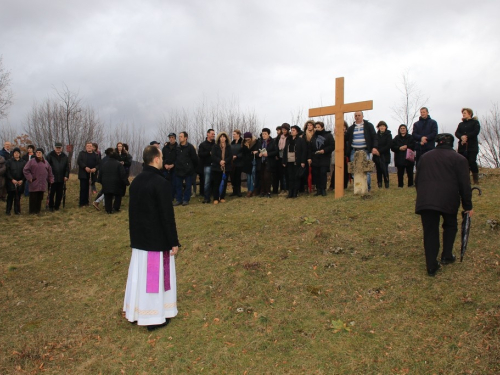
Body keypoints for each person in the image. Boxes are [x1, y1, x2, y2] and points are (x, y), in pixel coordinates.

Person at [124, 145, 180, 331]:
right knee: (153, 282)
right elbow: (167, 215)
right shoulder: (161, 183)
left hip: (139, 240)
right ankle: (153, 318)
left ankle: (135, 312)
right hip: (155, 242)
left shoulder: (136, 181)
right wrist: (173, 241)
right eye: (161, 157)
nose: (163, 160)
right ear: (156, 159)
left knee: (139, 278)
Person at [415, 133, 473, 276]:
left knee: (430, 231)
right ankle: (447, 255)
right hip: (449, 198)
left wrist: (423, 194)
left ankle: (431, 265)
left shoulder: (425, 157)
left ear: (437, 143)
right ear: (451, 143)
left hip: (426, 199)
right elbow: (465, 185)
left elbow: (417, 180)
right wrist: (468, 206)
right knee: (450, 225)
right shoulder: (459, 159)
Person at [346, 111, 378, 191]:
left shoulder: (368, 126)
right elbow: (345, 138)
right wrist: (338, 133)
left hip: (365, 150)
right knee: (354, 170)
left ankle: (367, 188)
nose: (357, 117)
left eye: (359, 115)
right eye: (356, 115)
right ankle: (358, 188)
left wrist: (374, 147)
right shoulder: (351, 128)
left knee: (366, 169)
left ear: (362, 116)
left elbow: (374, 137)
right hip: (354, 151)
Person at [23, 148, 54, 214]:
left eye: (39, 152)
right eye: (37, 152)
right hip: (34, 182)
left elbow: (50, 172)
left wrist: (51, 179)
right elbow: (25, 170)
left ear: (42, 153)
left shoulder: (46, 162)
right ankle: (32, 212)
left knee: (40, 198)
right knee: (33, 198)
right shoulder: (31, 161)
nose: (38, 154)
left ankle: (38, 211)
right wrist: (29, 177)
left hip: (42, 183)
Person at [307, 121, 335, 196]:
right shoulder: (314, 136)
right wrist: (309, 157)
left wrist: (324, 150)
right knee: (316, 174)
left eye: (318, 127)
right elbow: (310, 148)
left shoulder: (328, 135)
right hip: (315, 158)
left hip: (324, 158)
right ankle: (318, 189)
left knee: (323, 173)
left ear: (322, 127)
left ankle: (323, 189)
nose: (317, 129)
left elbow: (332, 146)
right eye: (316, 127)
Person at [455, 108, 481, 184]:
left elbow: (476, 132)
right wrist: (461, 137)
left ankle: (476, 180)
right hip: (462, 146)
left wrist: (467, 136)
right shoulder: (461, 124)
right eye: (463, 113)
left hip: (472, 146)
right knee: (463, 163)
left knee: (472, 161)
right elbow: (457, 133)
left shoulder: (475, 122)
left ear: (469, 113)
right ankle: (466, 180)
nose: (463, 114)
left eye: (465, 113)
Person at [98, 149, 128, 214]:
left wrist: (100, 181)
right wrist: (126, 182)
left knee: (107, 196)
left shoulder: (104, 164)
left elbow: (100, 173)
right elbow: (122, 174)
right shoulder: (118, 164)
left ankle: (108, 210)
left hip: (106, 183)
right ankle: (116, 208)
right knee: (118, 195)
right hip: (116, 183)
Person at [173, 132, 198, 206]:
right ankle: (179, 200)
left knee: (188, 186)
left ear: (185, 138)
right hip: (178, 170)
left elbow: (195, 159)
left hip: (188, 170)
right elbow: (175, 158)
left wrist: (192, 168)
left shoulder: (190, 147)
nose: (179, 138)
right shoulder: (177, 148)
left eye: (181, 136)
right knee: (178, 186)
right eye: (179, 136)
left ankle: (186, 200)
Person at [283, 125, 307, 198]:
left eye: (294, 130)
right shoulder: (288, 139)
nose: (292, 131)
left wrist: (303, 161)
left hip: (297, 161)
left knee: (296, 177)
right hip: (289, 161)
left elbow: (304, 151)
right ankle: (290, 192)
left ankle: (295, 192)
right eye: (291, 130)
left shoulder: (301, 140)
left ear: (297, 132)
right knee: (290, 177)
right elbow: (285, 151)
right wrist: (284, 161)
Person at [45, 142, 70, 211]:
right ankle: (50, 206)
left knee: (60, 193)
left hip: (61, 178)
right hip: (52, 178)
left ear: (61, 148)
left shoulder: (65, 156)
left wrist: (66, 176)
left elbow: (67, 168)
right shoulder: (50, 155)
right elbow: (46, 167)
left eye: (59, 148)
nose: (58, 149)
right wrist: (49, 177)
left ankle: (57, 206)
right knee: (51, 193)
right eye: (57, 147)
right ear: (54, 148)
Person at [211, 132, 233, 204]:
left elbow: (230, 156)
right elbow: (213, 156)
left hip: (226, 167)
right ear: (219, 138)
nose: (222, 138)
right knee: (216, 183)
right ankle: (216, 198)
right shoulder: (215, 146)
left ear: (226, 138)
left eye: (224, 137)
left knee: (224, 182)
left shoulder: (229, 147)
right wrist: (220, 161)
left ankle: (222, 197)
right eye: (221, 137)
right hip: (216, 167)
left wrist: (224, 162)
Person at [77, 142, 100, 207]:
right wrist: (85, 167)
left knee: (89, 189)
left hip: (92, 174)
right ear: (86, 147)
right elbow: (79, 161)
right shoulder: (82, 154)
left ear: (92, 147)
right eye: (88, 146)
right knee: (83, 188)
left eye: (90, 146)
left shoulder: (96, 155)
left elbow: (99, 164)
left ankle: (87, 202)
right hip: (83, 174)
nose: (89, 147)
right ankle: (82, 203)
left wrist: (95, 168)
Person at [330, 121, 350, 190]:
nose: (342, 128)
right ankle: (332, 185)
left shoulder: (348, 135)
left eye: (344, 127)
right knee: (336, 171)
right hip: (338, 155)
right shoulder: (335, 136)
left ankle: (344, 186)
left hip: (346, 156)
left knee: (346, 171)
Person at [5, 148, 26, 215]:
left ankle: (17, 211)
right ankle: (8, 211)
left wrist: (22, 180)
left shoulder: (23, 162)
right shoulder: (9, 161)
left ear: (19, 154)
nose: (16, 154)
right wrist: (12, 179)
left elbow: (25, 172)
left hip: (20, 182)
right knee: (10, 197)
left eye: (18, 153)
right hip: (11, 182)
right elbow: (7, 172)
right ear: (13, 154)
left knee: (18, 197)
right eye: (15, 153)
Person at [258, 128, 278, 198]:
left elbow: (276, 151)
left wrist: (268, 154)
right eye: (263, 134)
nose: (264, 135)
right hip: (261, 161)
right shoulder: (260, 141)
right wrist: (259, 154)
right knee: (262, 177)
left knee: (267, 177)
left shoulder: (273, 142)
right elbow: (257, 150)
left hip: (269, 161)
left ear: (268, 134)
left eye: (265, 134)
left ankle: (268, 191)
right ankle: (262, 191)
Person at [198, 129, 216, 204]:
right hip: (207, 166)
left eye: (214, 134)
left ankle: (216, 197)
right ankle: (206, 198)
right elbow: (200, 154)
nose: (213, 135)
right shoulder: (202, 145)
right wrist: (209, 153)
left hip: (215, 165)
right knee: (207, 182)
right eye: (212, 134)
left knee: (215, 182)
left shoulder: (216, 144)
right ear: (207, 134)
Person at [373, 121, 392, 189]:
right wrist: (375, 151)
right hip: (377, 156)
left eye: (383, 126)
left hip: (385, 155)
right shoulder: (376, 135)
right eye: (380, 126)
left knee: (385, 170)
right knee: (378, 170)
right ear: (378, 127)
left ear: (385, 127)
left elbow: (388, 145)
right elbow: (374, 144)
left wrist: (379, 151)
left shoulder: (389, 134)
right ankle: (379, 184)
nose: (382, 127)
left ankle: (387, 184)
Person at [241, 132, 261, 197]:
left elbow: (255, 151)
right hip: (247, 163)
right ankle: (249, 190)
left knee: (252, 177)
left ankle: (252, 190)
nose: (247, 140)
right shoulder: (243, 144)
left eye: (248, 139)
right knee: (248, 177)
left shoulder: (255, 142)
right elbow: (244, 154)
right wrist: (246, 147)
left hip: (253, 162)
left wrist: (252, 151)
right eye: (246, 139)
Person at [230, 129, 243, 197]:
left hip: (239, 162)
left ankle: (238, 191)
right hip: (232, 162)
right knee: (232, 177)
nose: (233, 135)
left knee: (238, 177)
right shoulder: (232, 143)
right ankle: (234, 191)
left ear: (238, 135)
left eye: (234, 134)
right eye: (233, 134)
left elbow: (243, 152)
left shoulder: (242, 143)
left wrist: (237, 156)